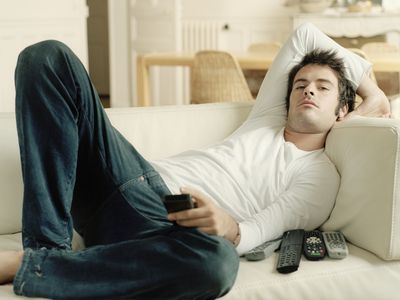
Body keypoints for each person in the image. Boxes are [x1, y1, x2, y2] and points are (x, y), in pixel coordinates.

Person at [0, 22, 389, 299]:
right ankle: (46, 249)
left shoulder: (320, 174)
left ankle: (30, 268)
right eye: (301, 85)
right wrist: (374, 94)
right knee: (48, 57)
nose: (307, 92)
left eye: (323, 89)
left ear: (341, 112)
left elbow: (264, 227)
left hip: (166, 231)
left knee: (217, 264)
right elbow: (305, 34)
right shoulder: (266, 120)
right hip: (132, 181)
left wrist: (229, 227)